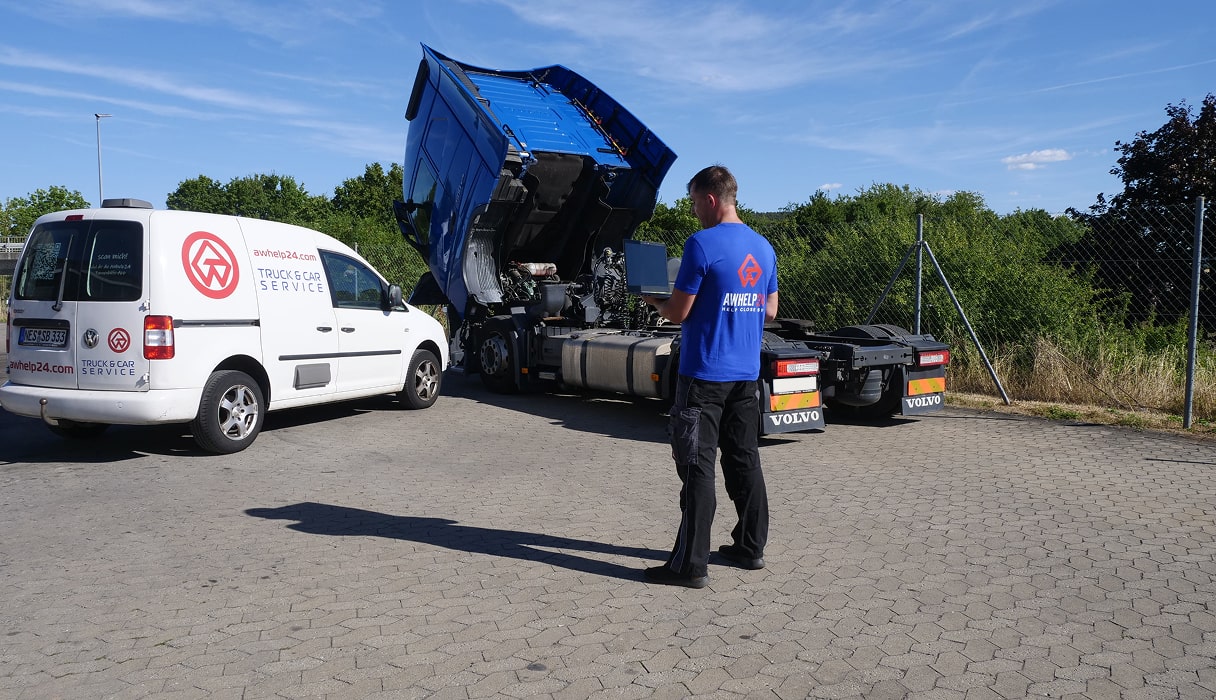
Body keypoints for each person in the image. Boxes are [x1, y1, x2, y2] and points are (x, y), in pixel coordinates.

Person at [641, 165, 779, 588]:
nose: (694, 210)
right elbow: (770, 312)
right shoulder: (763, 247)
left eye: (695, 201)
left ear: (711, 199)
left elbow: (679, 312)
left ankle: (690, 566)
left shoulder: (701, 245)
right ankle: (750, 548)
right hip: (745, 375)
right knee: (744, 461)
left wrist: (654, 300)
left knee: (697, 466)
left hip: (703, 376)